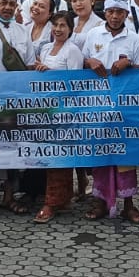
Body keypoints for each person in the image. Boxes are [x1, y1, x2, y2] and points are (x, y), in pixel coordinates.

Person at [79, 0, 139, 224]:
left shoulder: (134, 39)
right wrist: (89, 62)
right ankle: (100, 201)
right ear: (105, 14)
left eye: (120, 12)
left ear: (126, 15)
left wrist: (128, 63)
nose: (115, 16)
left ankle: (128, 203)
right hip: (98, 106)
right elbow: (83, 62)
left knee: (124, 155)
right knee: (100, 154)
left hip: (125, 107)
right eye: (111, 12)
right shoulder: (93, 35)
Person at [32, 13, 85, 223]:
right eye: (55, 25)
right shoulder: (45, 48)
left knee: (59, 158)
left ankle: (51, 202)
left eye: (63, 25)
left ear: (70, 29)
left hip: (66, 112)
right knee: (48, 157)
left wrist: (51, 73)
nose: (58, 29)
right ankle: (62, 198)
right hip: (46, 110)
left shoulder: (72, 51)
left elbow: (75, 83)